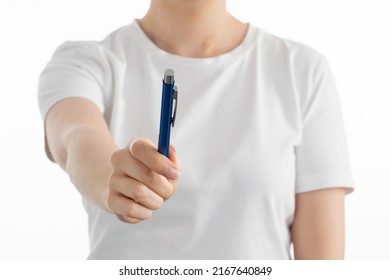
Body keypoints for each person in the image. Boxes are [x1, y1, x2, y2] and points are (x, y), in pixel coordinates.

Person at [38, 0, 354, 259]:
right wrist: (111, 177)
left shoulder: (303, 71)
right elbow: (74, 139)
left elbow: (322, 266)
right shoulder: (83, 63)